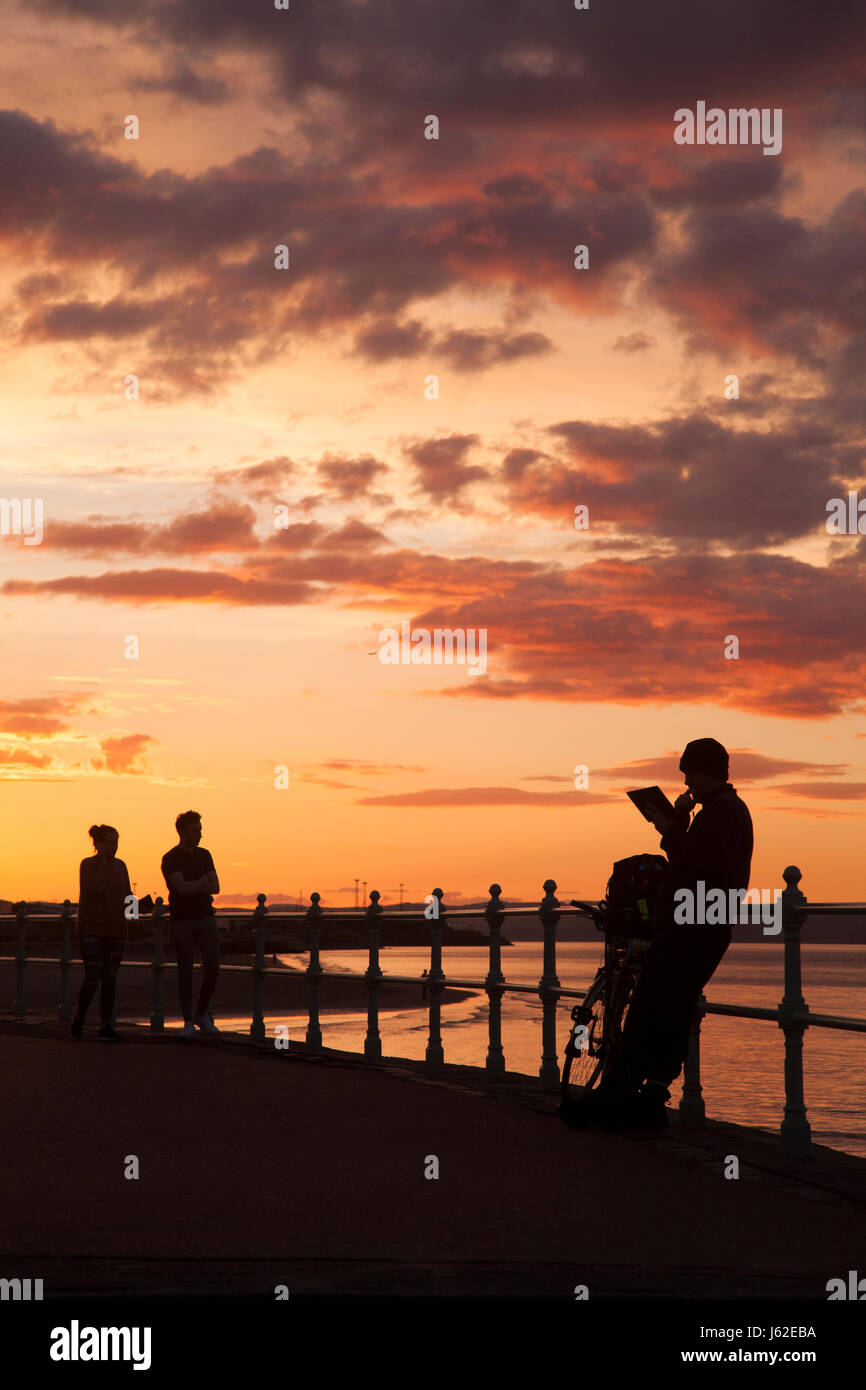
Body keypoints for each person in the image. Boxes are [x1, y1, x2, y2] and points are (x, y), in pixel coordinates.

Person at [576, 738, 753, 1130]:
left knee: (649, 1010)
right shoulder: (721, 812)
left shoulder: (723, 812)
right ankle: (646, 1100)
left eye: (690, 772)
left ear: (707, 773)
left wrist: (671, 829)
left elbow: (704, 865)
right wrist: (680, 826)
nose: (687, 780)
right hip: (697, 924)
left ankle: (619, 1097)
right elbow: (699, 860)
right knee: (668, 1012)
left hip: (693, 928)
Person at [161, 811, 221, 1038]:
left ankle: (201, 1014)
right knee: (185, 971)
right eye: (196, 830)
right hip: (182, 920)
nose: (200, 834)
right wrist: (202, 882)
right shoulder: (170, 858)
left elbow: (215, 887)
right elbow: (181, 889)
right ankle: (187, 1020)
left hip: (206, 917)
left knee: (213, 967)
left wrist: (193, 885)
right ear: (182, 831)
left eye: (200, 830)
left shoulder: (205, 855)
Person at [70, 824, 132, 1041]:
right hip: (92, 929)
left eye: (116, 842)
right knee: (93, 976)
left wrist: (132, 919)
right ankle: (79, 1018)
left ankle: (106, 1025)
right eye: (109, 843)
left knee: (110, 977)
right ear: (97, 844)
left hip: (116, 930)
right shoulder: (88, 865)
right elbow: (95, 887)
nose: (114, 847)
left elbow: (127, 893)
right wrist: (104, 861)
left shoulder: (121, 866)